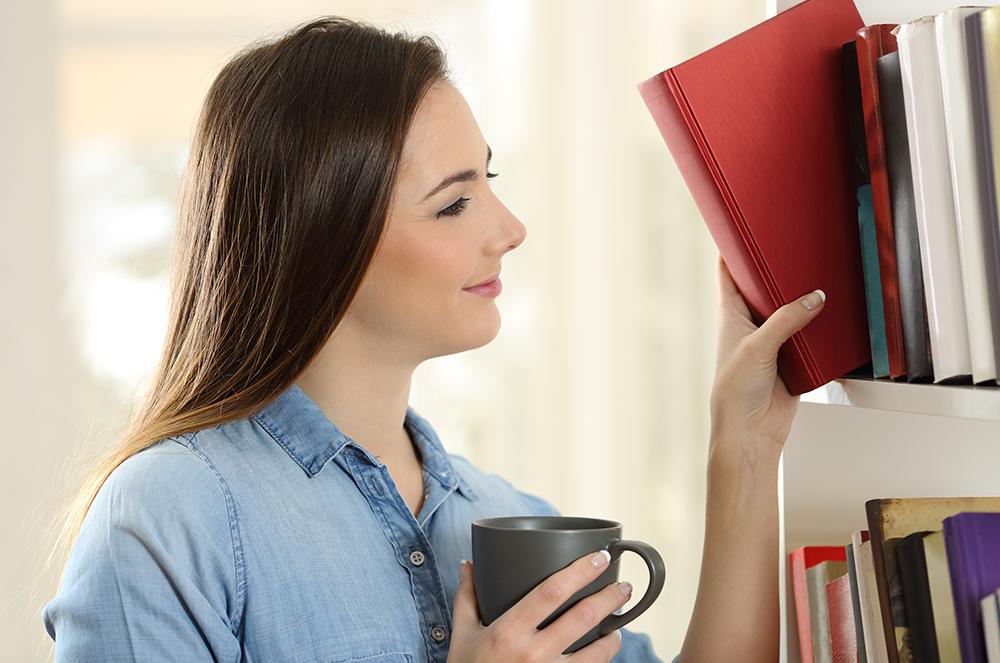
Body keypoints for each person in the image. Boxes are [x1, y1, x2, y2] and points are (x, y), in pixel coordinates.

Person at [40, 15, 827, 663]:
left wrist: (746, 445)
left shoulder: (508, 515)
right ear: (326, 239)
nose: (510, 231)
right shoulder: (167, 519)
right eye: (453, 204)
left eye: (491, 180)